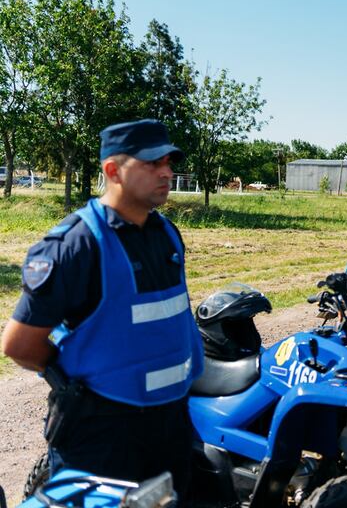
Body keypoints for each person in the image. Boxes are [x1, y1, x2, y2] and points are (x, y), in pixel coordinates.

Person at [0, 119, 203, 495]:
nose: (166, 173)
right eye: (151, 163)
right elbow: (19, 345)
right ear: (112, 170)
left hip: (170, 425)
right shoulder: (75, 246)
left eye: (168, 163)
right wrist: (75, 379)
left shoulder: (167, 235)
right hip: (103, 435)